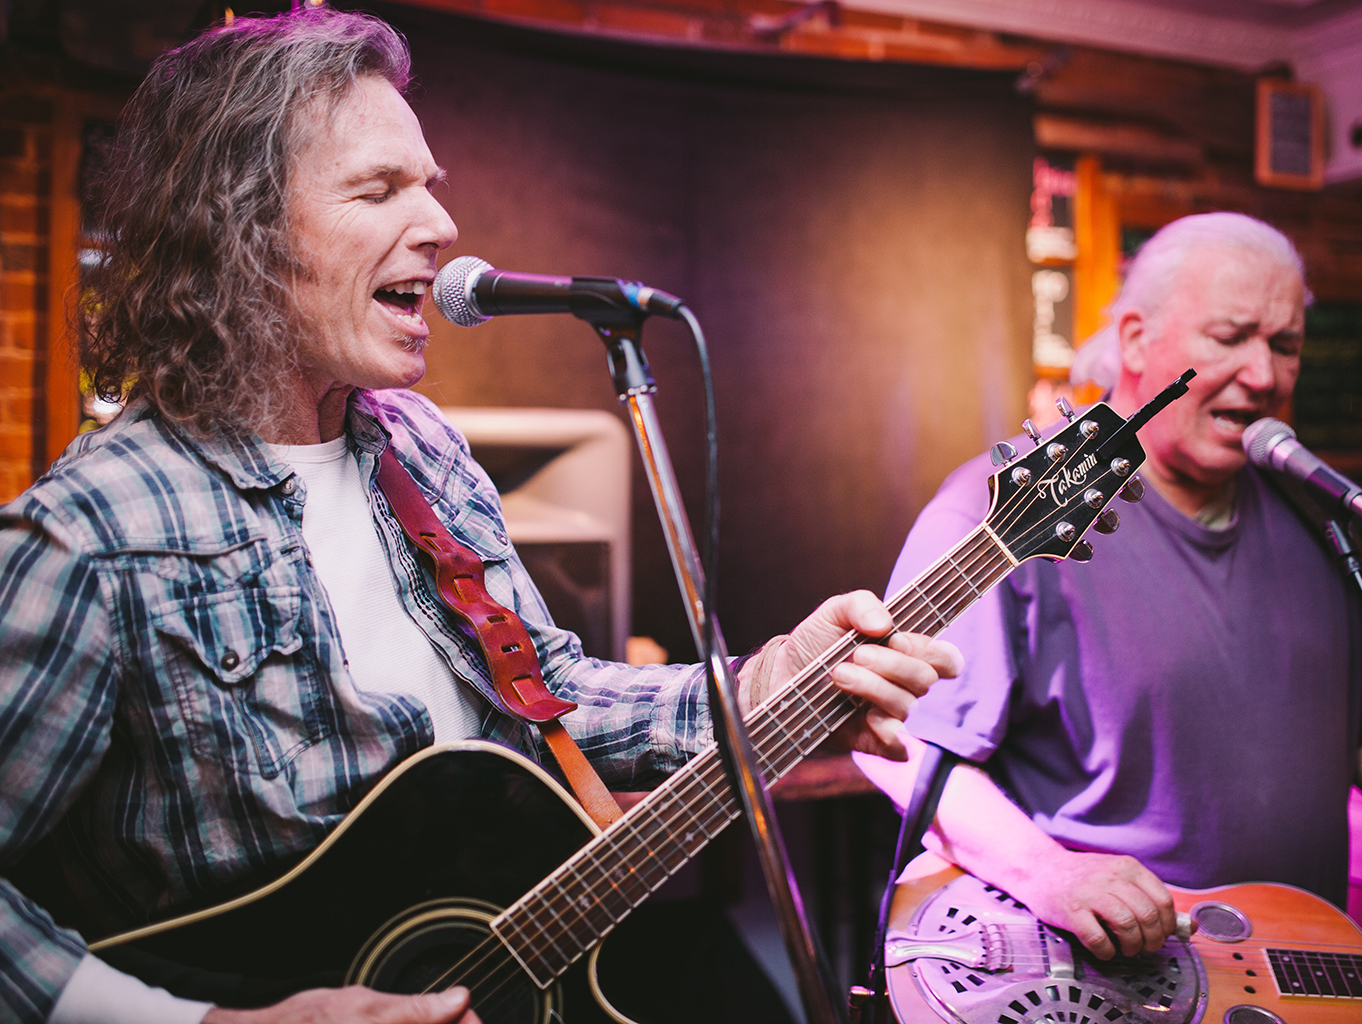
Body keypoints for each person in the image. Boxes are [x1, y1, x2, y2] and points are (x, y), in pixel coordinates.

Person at [0, 10, 960, 1024]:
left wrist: (763, 686)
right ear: (239, 233)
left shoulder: (417, 448)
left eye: (429, 184)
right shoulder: (97, 532)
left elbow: (547, 697)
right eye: (380, 189)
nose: (441, 223)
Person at [857, 211, 1362, 963]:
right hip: (1103, 984)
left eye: (1285, 346)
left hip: (1301, 975)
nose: (1264, 375)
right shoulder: (1011, 511)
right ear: (1135, 339)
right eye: (1230, 337)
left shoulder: (1317, 520)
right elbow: (899, 745)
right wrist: (1050, 873)